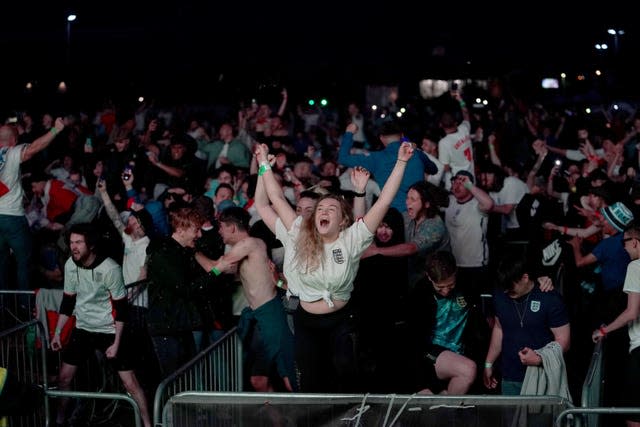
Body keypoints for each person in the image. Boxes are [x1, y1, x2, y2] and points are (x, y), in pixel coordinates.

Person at [255, 139, 414, 392]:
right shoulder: (298, 232)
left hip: (342, 319)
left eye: (331, 208)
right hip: (305, 321)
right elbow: (273, 196)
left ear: (342, 221)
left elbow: (384, 201)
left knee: (345, 374)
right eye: (320, 209)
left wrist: (401, 162)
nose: (323, 212)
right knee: (309, 381)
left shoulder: (352, 238)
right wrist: (263, 162)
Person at [50, 223, 151, 427]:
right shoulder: (70, 264)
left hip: (110, 330)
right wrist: (58, 332)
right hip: (84, 328)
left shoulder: (109, 268)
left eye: (78, 242)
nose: (74, 247)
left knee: (130, 382)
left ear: (91, 245)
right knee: (64, 378)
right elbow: (68, 301)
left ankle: (148, 424)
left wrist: (116, 342)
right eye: (71, 243)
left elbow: (122, 310)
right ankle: (59, 421)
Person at [195, 207, 296, 392]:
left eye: (221, 227)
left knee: (289, 378)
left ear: (232, 228)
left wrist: (192, 250)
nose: (219, 232)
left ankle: (307, 418)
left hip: (271, 315)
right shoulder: (245, 251)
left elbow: (215, 268)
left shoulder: (250, 243)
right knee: (258, 380)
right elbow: (222, 268)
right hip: (258, 318)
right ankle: (279, 421)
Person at [483, 255, 570, 397]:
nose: (507, 292)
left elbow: (564, 341)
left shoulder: (550, 298)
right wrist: (488, 363)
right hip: (509, 376)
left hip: (541, 375)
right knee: (511, 419)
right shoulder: (500, 295)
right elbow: (499, 329)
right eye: (504, 288)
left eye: (511, 287)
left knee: (540, 419)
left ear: (525, 277)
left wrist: (539, 358)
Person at [408, 251, 489, 395]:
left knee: (467, 373)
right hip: (430, 353)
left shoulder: (468, 284)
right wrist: (423, 384)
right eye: (440, 287)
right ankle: (444, 404)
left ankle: (445, 404)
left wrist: (540, 278)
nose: (445, 291)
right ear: (429, 277)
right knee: (468, 369)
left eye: (450, 285)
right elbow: (414, 342)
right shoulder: (420, 293)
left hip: (461, 351)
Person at [0, 118, 65, 295]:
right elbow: (33, 149)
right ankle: (26, 312)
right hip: (12, 218)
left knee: (2, 266)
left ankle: (5, 314)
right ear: (14, 141)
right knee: (24, 264)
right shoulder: (10, 152)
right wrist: (55, 130)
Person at [592, 223, 640, 427]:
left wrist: (604, 330)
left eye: (624, 243)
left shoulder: (635, 267)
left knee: (633, 417)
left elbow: (632, 312)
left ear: (635, 242)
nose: (624, 248)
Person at [338, 121, 436, 212]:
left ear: (381, 138)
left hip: (394, 216)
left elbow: (343, 158)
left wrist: (349, 132)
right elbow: (434, 169)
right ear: (402, 135)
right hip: (420, 211)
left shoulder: (375, 159)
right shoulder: (416, 153)